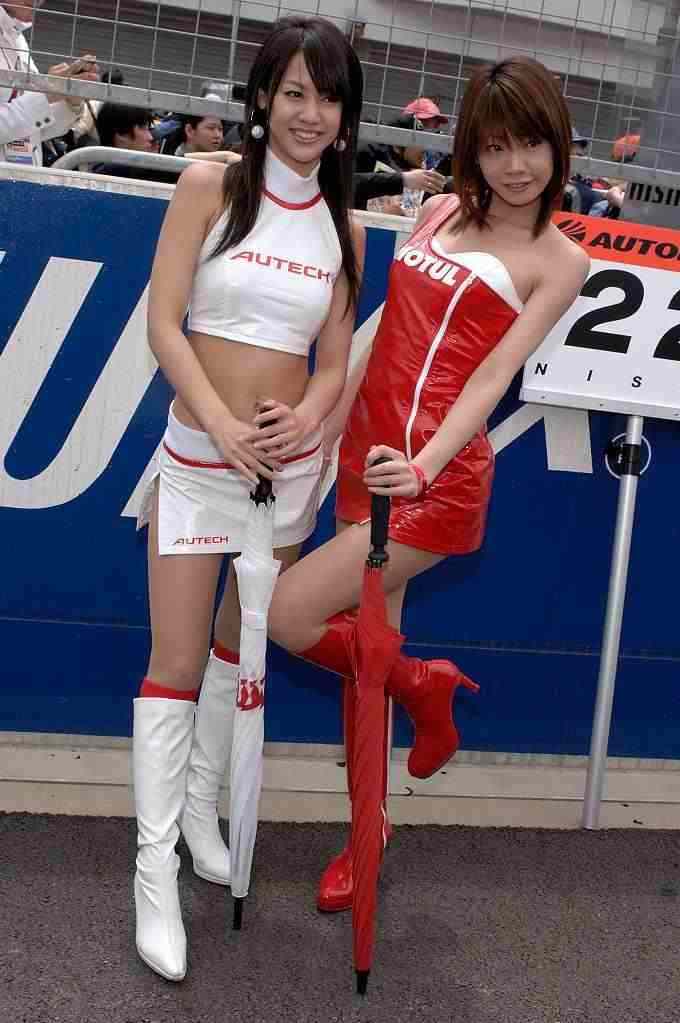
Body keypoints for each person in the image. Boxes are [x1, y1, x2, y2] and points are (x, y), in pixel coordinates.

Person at [267, 55, 590, 912]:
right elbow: (385, 330)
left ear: (558, 145)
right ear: (471, 150)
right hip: (365, 456)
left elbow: (493, 376)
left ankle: (422, 684)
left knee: (291, 614)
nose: (515, 165)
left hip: (430, 480)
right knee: (361, 666)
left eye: (531, 144)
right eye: (495, 146)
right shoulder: (440, 208)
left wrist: (425, 465)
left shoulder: (561, 259)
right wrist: (326, 423)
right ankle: (367, 831)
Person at [133, 15, 364, 982]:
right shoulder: (209, 186)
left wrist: (307, 417)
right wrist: (221, 424)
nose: (311, 113)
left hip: (284, 475)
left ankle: (200, 808)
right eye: (295, 91)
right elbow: (163, 324)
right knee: (177, 662)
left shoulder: (345, 228)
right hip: (199, 457)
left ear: (347, 116)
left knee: (241, 647)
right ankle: (152, 874)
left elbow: (334, 362)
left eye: (329, 96)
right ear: (263, 96)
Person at [0, 0, 97, 165]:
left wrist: (69, 101)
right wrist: (47, 94)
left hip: (22, 176)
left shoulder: (16, 37)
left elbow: (33, 128)